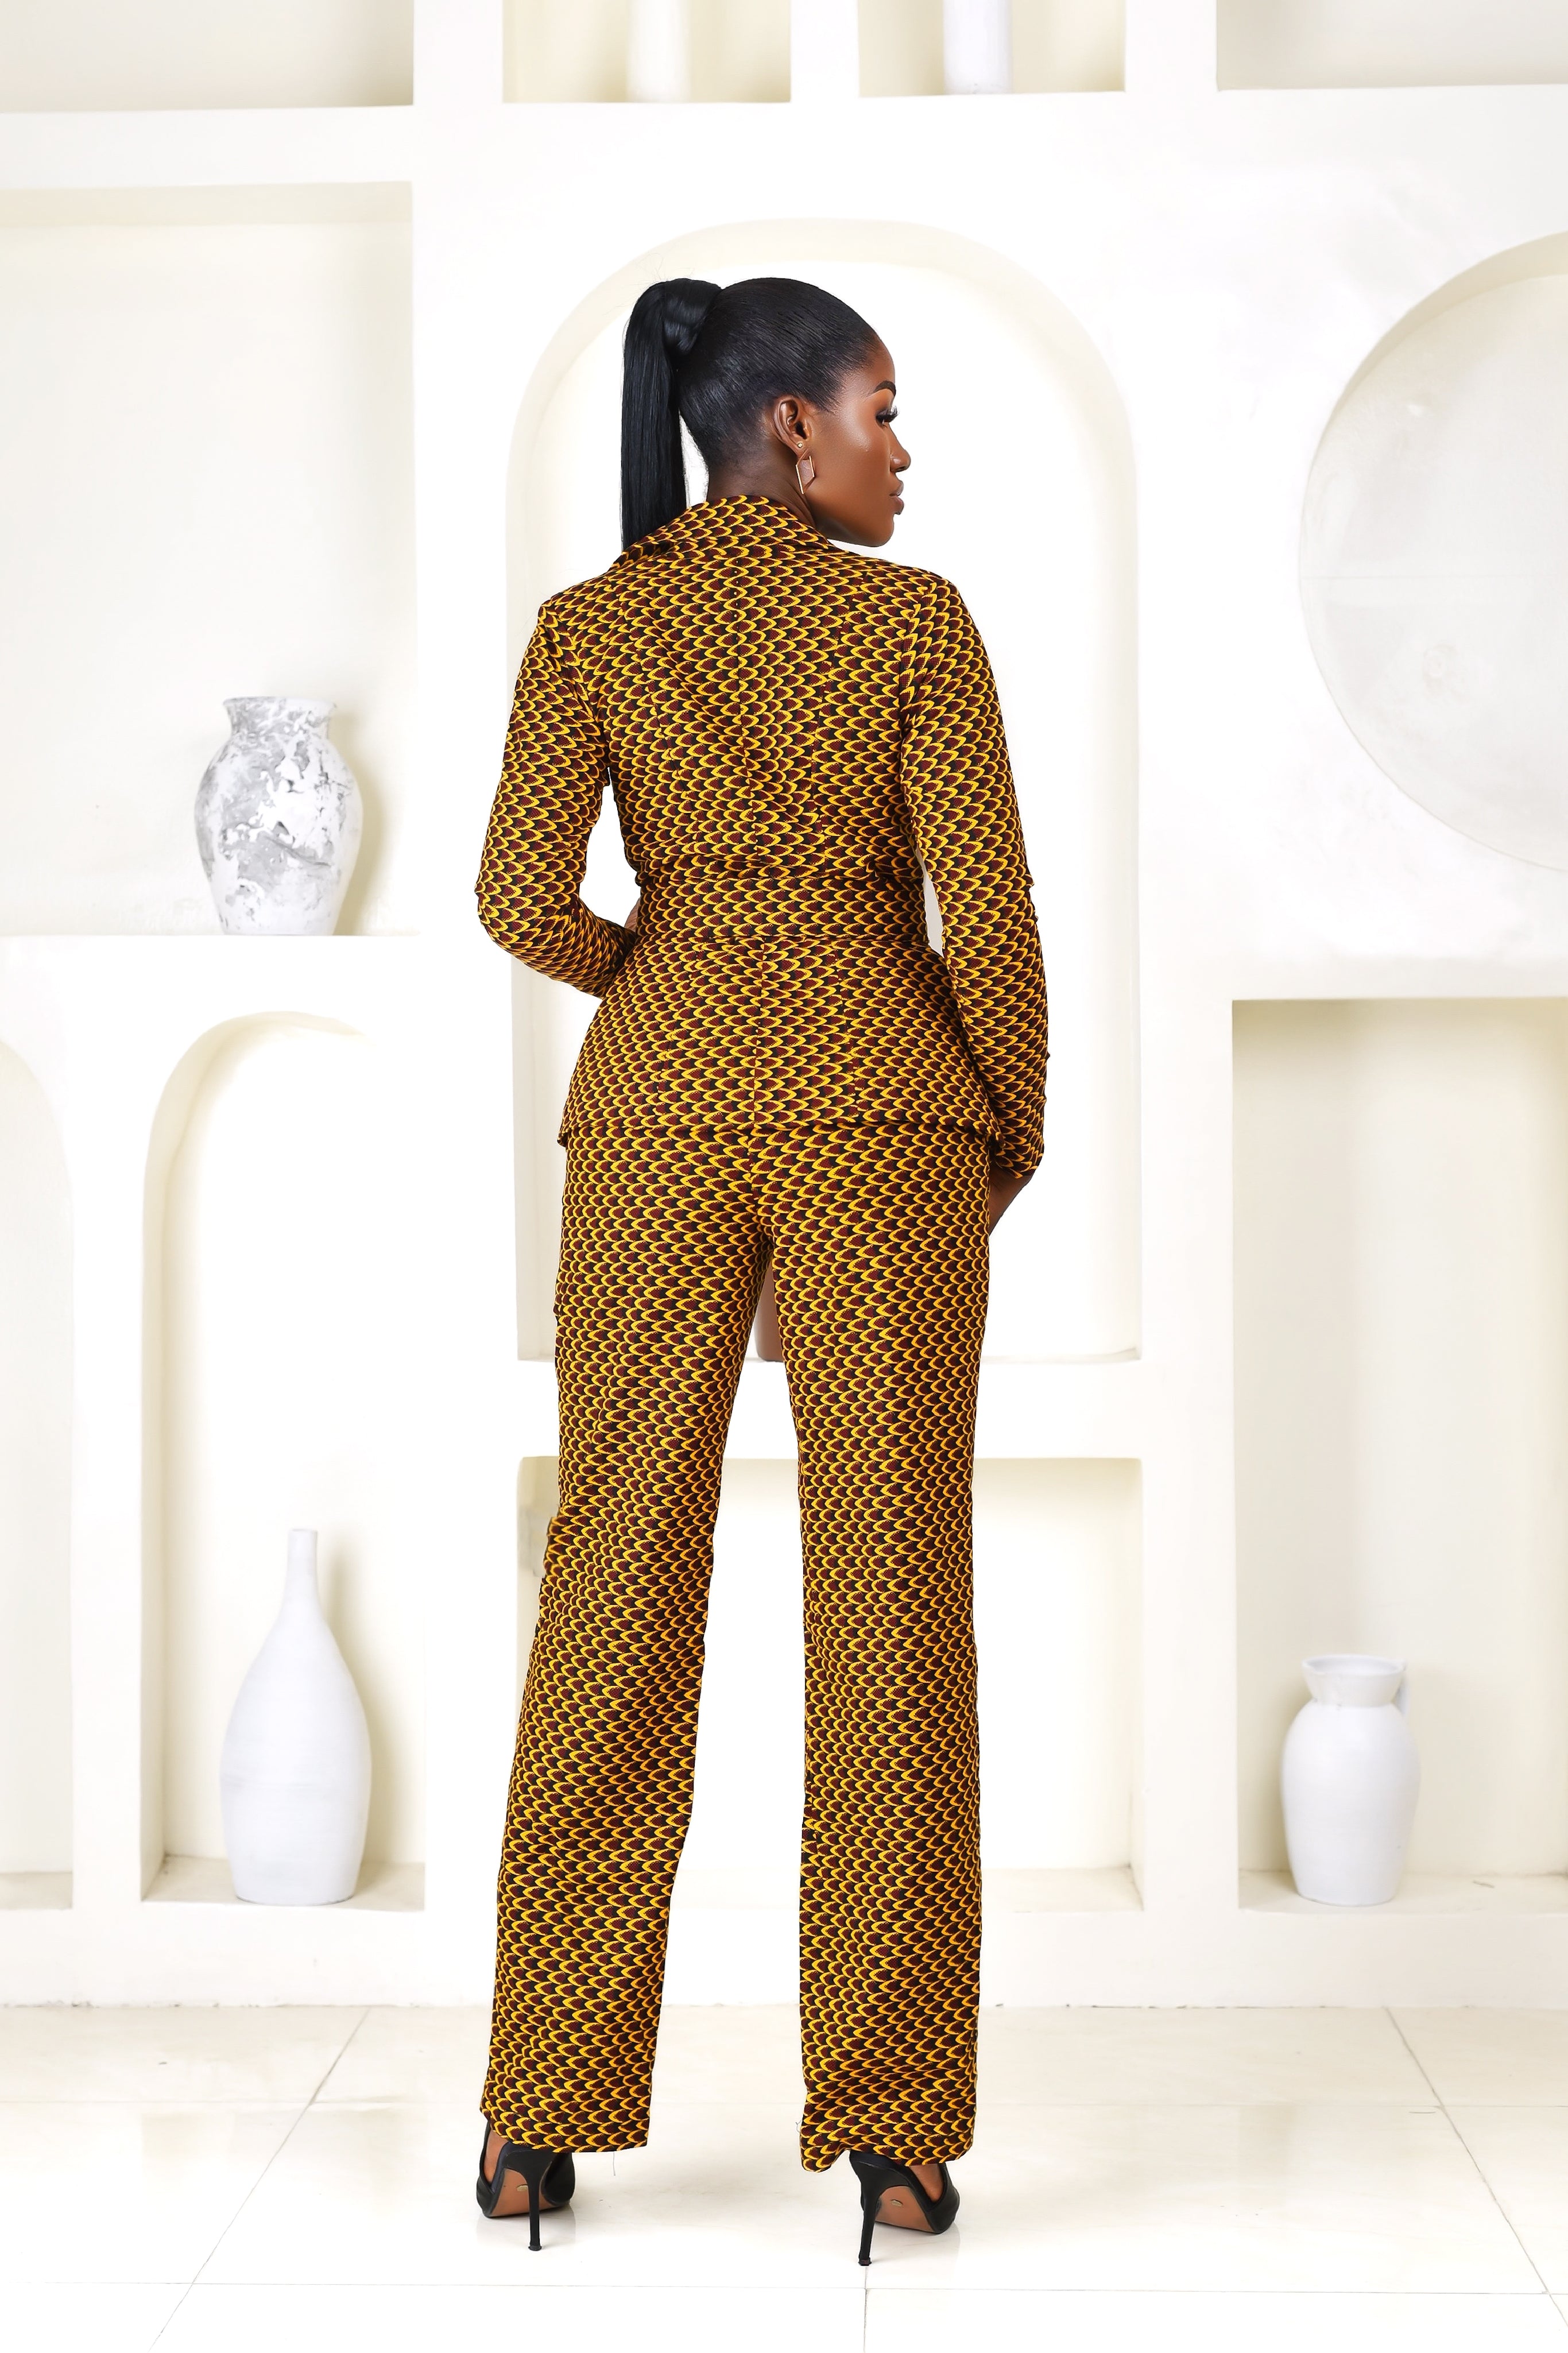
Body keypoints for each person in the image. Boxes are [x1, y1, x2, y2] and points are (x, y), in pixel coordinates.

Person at [473, 274, 1048, 2261]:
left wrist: (663, 990)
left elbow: (510, 896)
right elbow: (993, 919)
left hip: (646, 1126)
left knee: (609, 1590)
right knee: (896, 1617)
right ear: (789, 425)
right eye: (883, 410)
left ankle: (537, 2114)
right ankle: (894, 2130)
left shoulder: (592, 627)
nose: (903, 448)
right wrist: (991, 1145)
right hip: (889, 1123)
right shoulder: (916, 626)